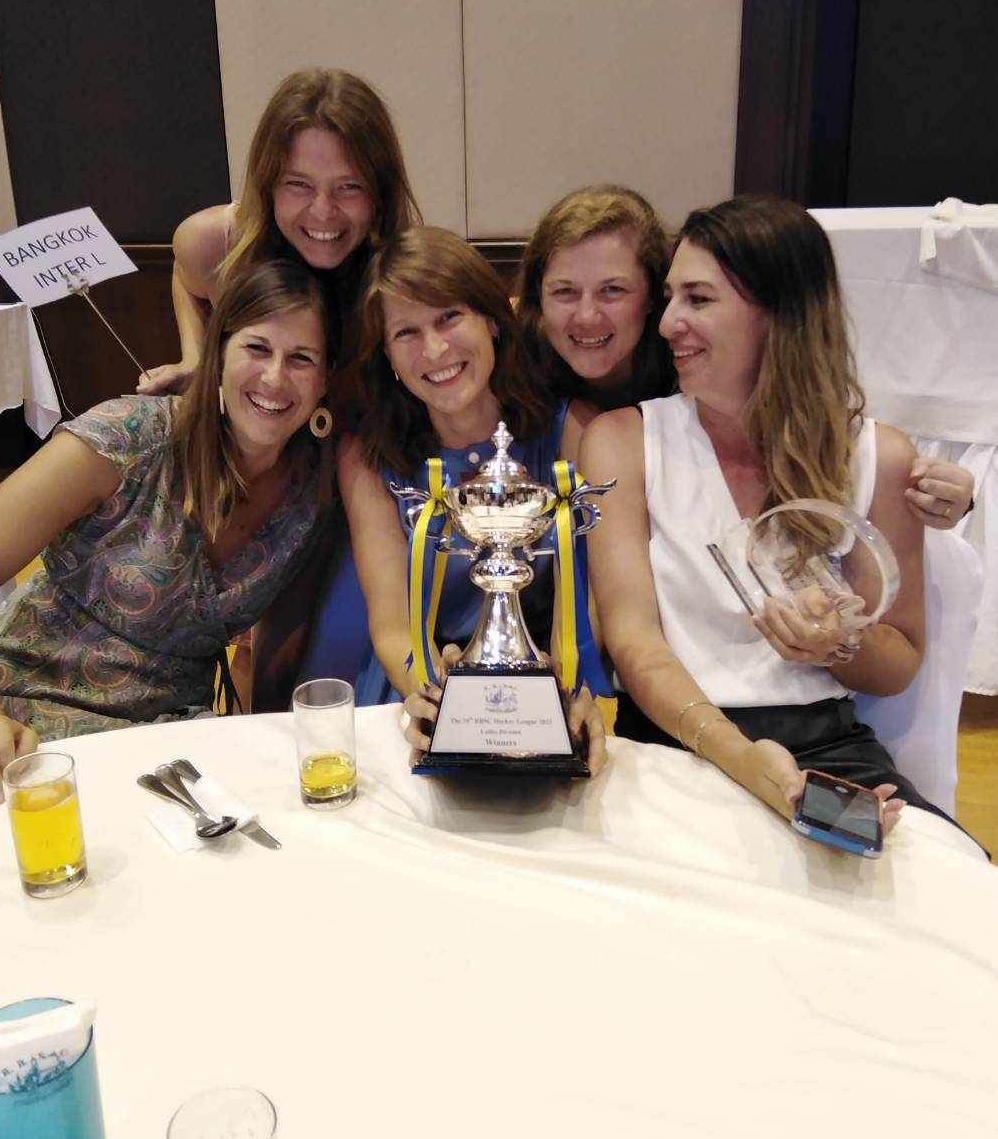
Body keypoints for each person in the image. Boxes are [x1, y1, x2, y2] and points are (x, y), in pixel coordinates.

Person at [579, 194, 958, 832]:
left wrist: (838, 644)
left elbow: (899, 661)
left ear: (778, 314)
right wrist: (744, 761)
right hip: (677, 741)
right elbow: (634, 644)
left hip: (829, 750)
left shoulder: (877, 456)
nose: (668, 322)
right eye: (670, 297)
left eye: (698, 300)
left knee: (935, 891)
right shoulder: (623, 441)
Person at [0, 261, 335, 803]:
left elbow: (277, 646)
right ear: (219, 354)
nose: (275, 378)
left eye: (301, 359)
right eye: (257, 349)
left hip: (170, 738)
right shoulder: (127, 439)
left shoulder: (313, 493)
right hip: (24, 715)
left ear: (324, 380)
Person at [519, 182, 974, 528]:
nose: (586, 315)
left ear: (653, 294)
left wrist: (942, 494)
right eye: (563, 291)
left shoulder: (693, 354)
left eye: (613, 290)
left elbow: (810, 413)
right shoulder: (516, 365)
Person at [329, 226, 605, 761]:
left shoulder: (571, 431)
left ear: (492, 320)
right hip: (419, 681)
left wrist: (572, 695)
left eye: (449, 317)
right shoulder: (367, 456)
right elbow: (390, 624)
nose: (434, 349)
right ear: (385, 354)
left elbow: (591, 603)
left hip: (542, 681)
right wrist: (437, 704)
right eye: (405, 333)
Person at [137, 67, 421, 396]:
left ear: (380, 193)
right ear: (268, 184)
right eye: (298, 184)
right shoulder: (214, 240)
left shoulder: (403, 270)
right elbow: (186, 277)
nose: (323, 211)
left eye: (349, 187)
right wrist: (195, 359)